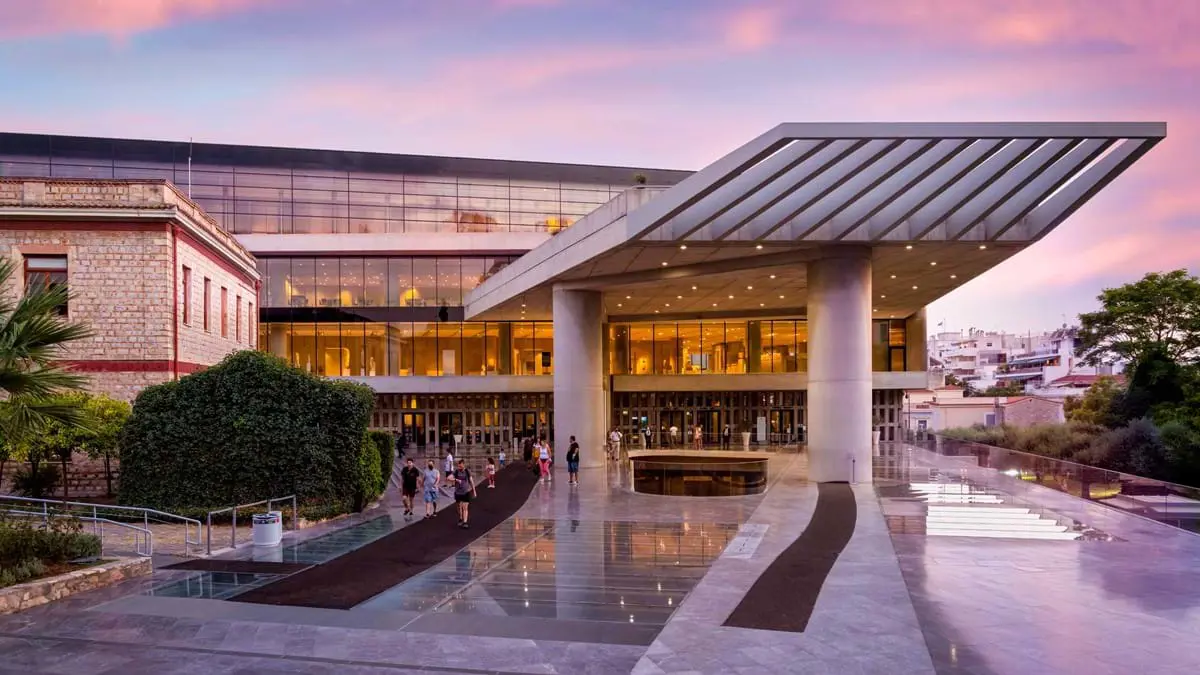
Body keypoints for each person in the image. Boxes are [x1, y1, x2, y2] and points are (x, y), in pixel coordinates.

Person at [452, 459, 477, 528]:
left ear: (463, 465)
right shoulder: (456, 471)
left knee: (465, 507)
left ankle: (465, 522)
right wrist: (456, 479)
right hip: (458, 492)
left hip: (466, 492)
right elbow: (449, 477)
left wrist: (474, 491)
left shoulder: (467, 471)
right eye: (458, 466)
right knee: (458, 506)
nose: (459, 467)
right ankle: (460, 518)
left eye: (460, 466)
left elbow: (471, 481)